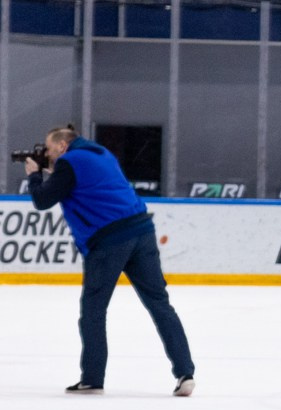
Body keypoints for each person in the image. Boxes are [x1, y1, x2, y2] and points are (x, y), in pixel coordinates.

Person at [18, 126, 195, 396]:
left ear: (63, 146)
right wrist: (53, 172)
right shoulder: (101, 153)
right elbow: (87, 183)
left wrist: (33, 176)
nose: (48, 155)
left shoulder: (69, 162)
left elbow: (42, 200)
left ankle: (92, 378)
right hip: (142, 231)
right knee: (160, 304)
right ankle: (185, 373)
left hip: (109, 240)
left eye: (50, 150)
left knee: (93, 311)